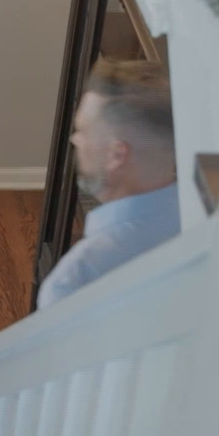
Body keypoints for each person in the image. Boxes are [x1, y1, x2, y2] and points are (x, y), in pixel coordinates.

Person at [36, 59, 180, 309]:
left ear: (116, 155)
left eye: (83, 131)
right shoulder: (214, 224)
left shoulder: (73, 283)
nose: (75, 139)